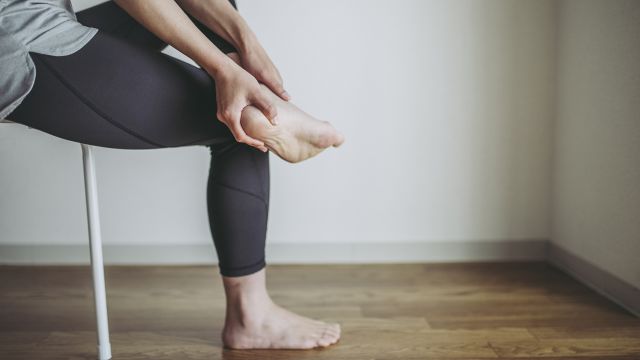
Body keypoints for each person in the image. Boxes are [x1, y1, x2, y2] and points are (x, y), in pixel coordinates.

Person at [0, 0, 343, 349]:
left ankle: (265, 106)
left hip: (40, 16)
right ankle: (250, 318)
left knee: (217, 17)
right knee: (236, 123)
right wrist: (224, 69)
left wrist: (247, 44)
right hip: (14, 39)